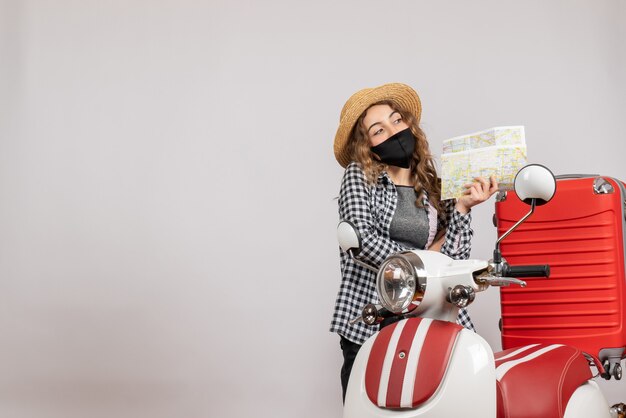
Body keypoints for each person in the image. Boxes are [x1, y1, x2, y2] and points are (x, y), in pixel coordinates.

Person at [329, 83, 498, 401]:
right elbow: (362, 240)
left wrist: (462, 208)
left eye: (397, 120)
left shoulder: (434, 184)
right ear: (368, 144)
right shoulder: (359, 176)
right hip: (375, 315)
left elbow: (454, 259)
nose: (393, 131)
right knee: (372, 406)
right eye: (379, 129)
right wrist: (425, 258)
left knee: (447, 401)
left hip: (430, 312)